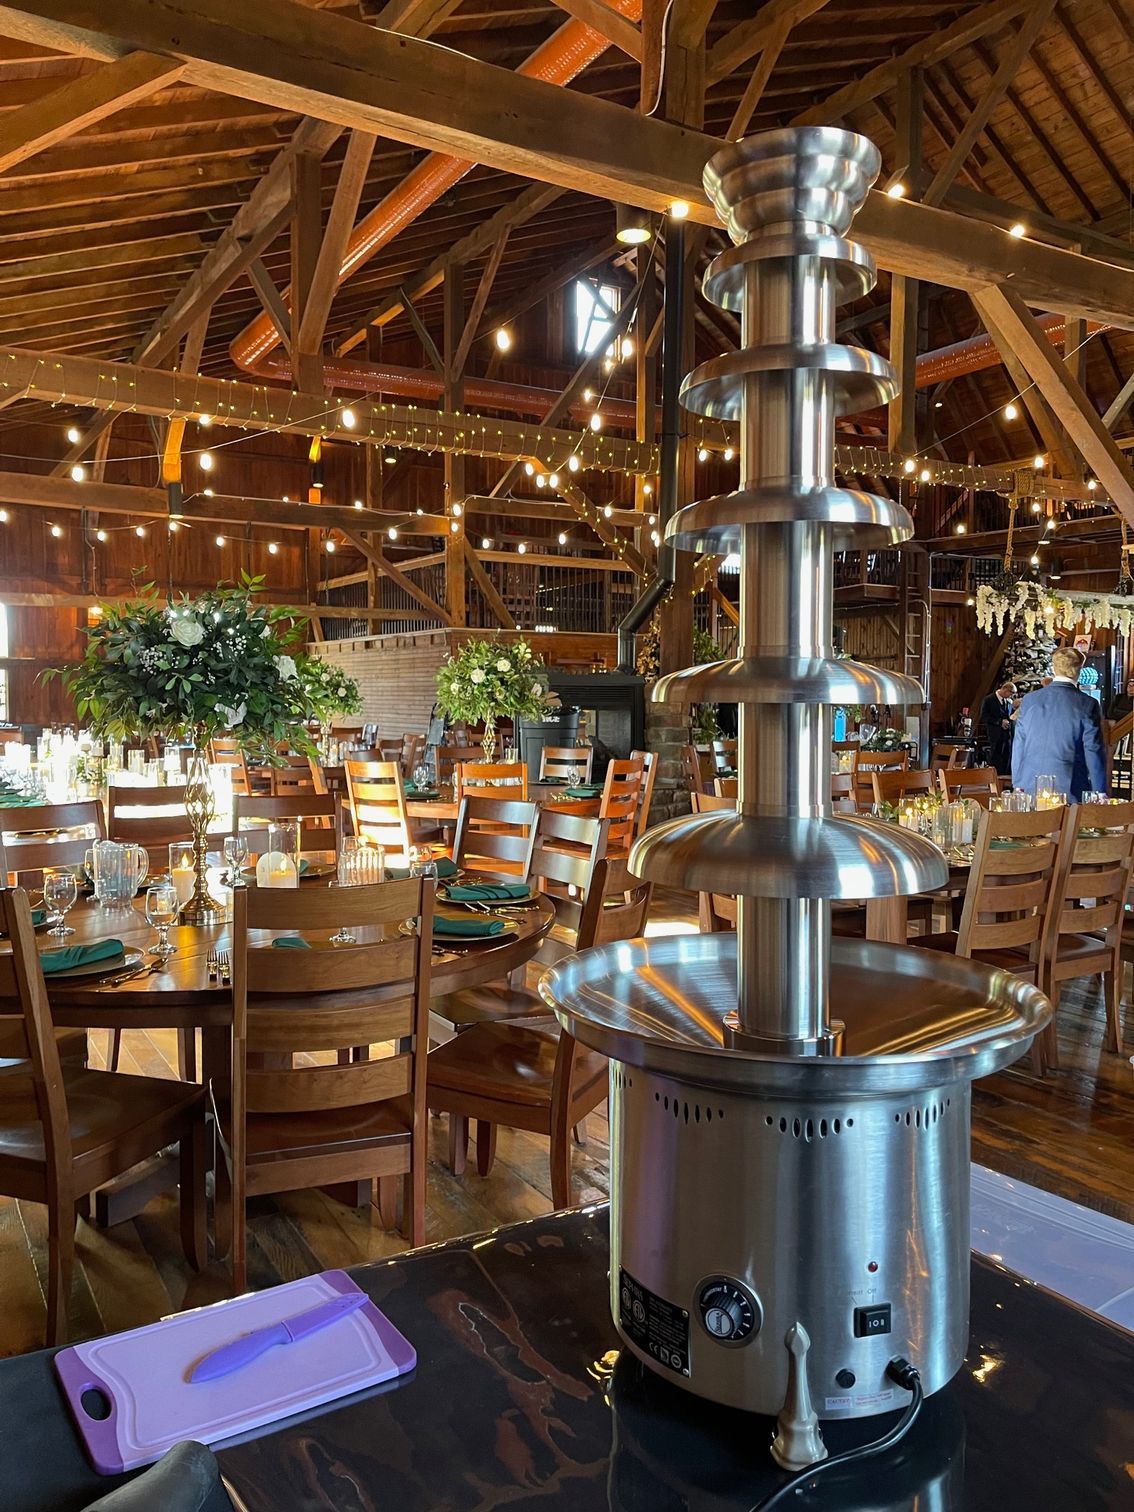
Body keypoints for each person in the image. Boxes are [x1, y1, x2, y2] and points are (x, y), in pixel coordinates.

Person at [1011, 646, 1107, 801]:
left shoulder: (1030, 699)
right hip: (1070, 788)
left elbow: (1019, 744)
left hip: (1029, 785)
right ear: (1079, 670)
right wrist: (1100, 790)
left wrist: (1017, 783)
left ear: (1053, 669)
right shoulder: (1088, 704)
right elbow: (1093, 749)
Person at [980, 680, 1015, 775]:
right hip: (995, 735)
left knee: (1007, 757)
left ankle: (1005, 778)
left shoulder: (1008, 702)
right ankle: (994, 778)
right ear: (1005, 690)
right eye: (1011, 693)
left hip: (1007, 735)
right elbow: (984, 716)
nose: (1011, 696)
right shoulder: (989, 700)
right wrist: (999, 722)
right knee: (996, 758)